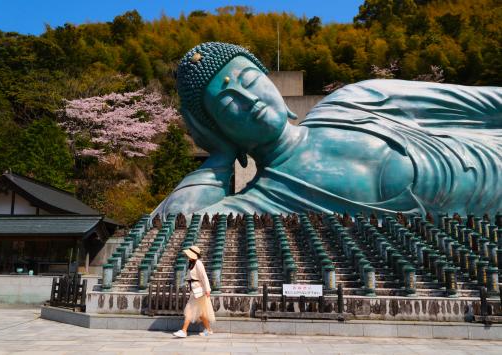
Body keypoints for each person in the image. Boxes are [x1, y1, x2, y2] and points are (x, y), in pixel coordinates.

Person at [154, 42, 501, 219]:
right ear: (218, 129)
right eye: (229, 105)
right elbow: (173, 225)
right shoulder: (264, 200)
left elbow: (482, 104)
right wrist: (220, 157)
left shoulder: (355, 102)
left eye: (250, 80)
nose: (248, 99)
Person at [173, 245, 215, 338]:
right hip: (195, 291)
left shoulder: (198, 263)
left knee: (190, 309)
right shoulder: (192, 263)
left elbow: (204, 276)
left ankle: (184, 330)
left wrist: (208, 289)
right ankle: (208, 330)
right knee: (201, 312)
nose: (187, 256)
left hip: (200, 291)